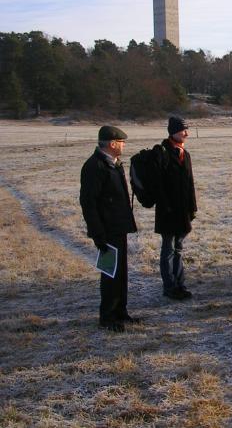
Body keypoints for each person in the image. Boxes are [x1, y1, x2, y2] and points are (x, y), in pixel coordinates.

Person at [80, 126, 138, 332]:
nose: (123, 145)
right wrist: (98, 234)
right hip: (106, 232)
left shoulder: (114, 164)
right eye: (121, 142)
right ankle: (107, 317)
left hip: (119, 228)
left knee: (121, 273)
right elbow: (89, 203)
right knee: (110, 275)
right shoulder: (94, 166)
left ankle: (121, 312)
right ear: (112, 144)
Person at [156, 116, 198, 300]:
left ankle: (180, 284)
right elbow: (158, 185)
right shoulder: (162, 153)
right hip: (168, 213)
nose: (186, 134)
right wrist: (167, 207)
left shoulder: (185, 154)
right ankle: (169, 287)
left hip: (183, 213)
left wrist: (192, 208)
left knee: (178, 249)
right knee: (168, 250)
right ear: (173, 132)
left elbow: (190, 184)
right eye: (183, 130)